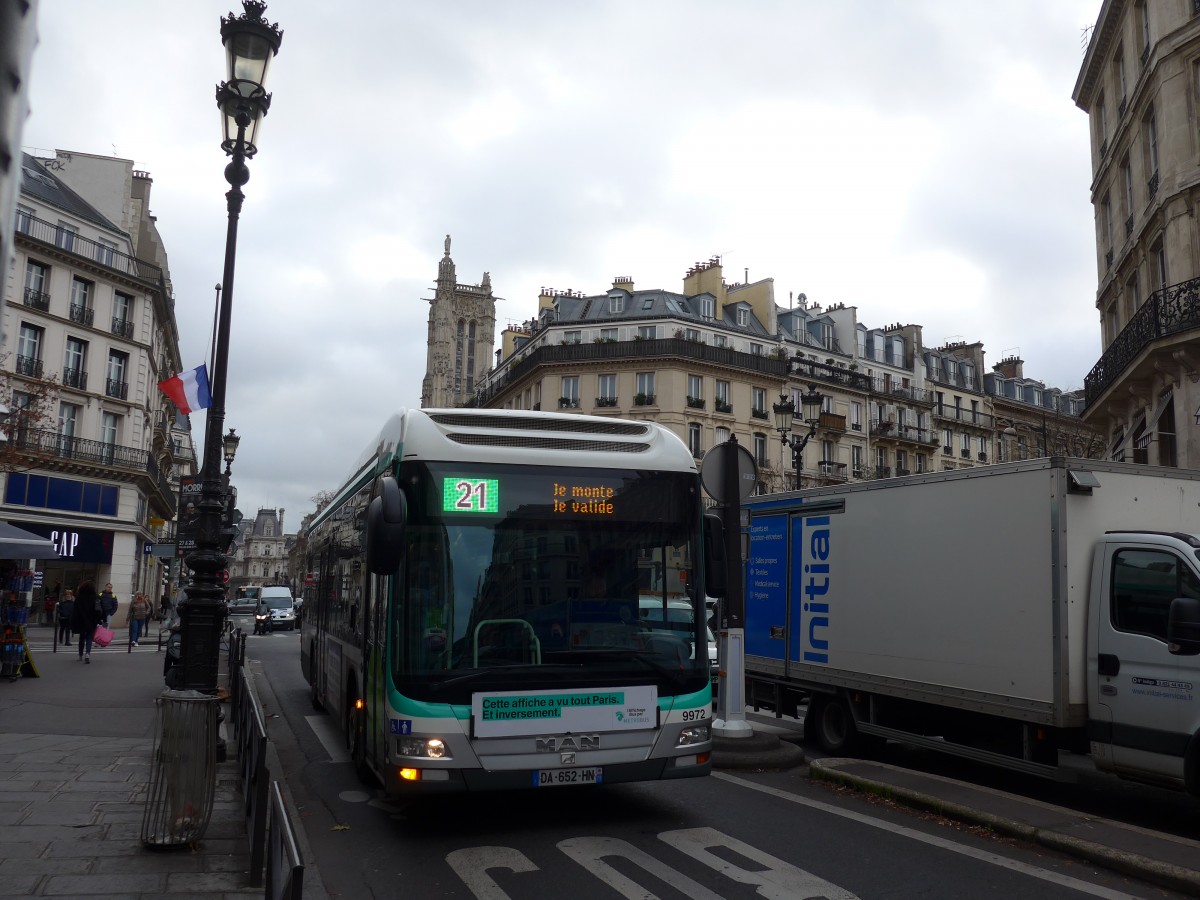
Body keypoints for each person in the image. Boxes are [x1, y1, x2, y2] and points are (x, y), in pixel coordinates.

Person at [71, 580, 101, 663]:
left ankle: (80, 655)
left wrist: (74, 620)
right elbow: (98, 609)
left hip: (81, 619)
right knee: (89, 638)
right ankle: (87, 654)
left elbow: (75, 609)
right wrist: (99, 619)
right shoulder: (95, 596)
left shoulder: (79, 596)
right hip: (92, 620)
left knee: (82, 638)